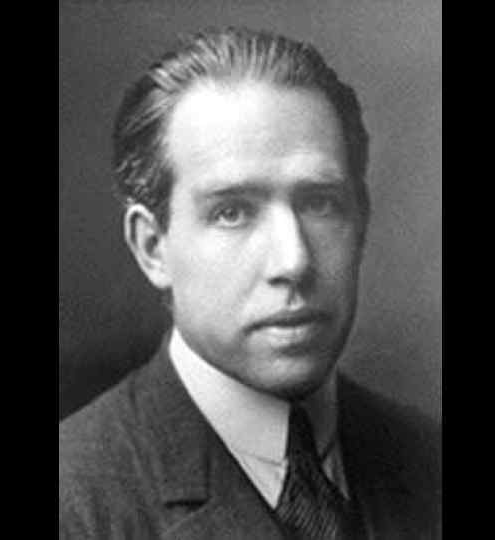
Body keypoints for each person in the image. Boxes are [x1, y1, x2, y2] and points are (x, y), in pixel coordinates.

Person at [59, 27, 441, 539]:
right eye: (232, 212)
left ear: (361, 218)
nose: (294, 260)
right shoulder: (75, 503)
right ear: (152, 247)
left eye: (320, 202)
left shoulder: (428, 458)